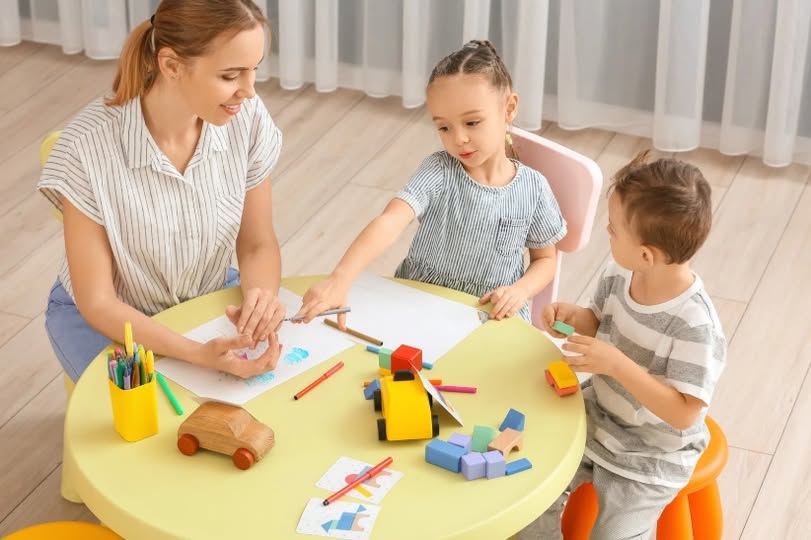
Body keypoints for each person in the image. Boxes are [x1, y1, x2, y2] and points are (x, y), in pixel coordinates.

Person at [38, 0, 285, 382]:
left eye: (254, 71)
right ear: (171, 65)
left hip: (204, 293)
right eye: (231, 75)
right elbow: (98, 302)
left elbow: (256, 245)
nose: (249, 92)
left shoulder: (247, 120)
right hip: (107, 319)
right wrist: (196, 355)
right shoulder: (86, 148)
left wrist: (261, 298)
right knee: (155, 423)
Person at [295, 40, 566, 325]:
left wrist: (520, 290)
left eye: (472, 123)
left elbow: (545, 260)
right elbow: (391, 221)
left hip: (489, 317)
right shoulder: (439, 170)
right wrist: (340, 278)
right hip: (417, 304)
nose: (458, 138)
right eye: (444, 127)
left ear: (509, 108)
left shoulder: (534, 188)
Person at [535, 152, 727, 539]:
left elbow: (684, 414)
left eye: (613, 230)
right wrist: (576, 319)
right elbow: (600, 321)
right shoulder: (619, 274)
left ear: (646, 254)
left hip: (652, 451)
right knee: (531, 491)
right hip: (596, 416)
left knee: (615, 534)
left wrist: (617, 365)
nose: (608, 235)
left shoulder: (695, 324)